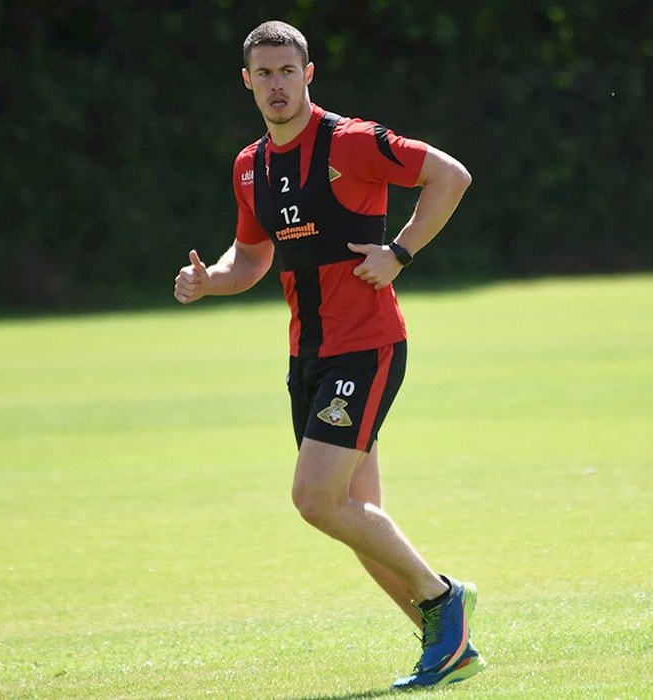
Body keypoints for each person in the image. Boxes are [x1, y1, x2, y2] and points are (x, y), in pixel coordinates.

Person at [174, 20, 484, 691]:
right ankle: (448, 647)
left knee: (316, 499)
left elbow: (450, 176)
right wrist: (209, 280)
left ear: (308, 74)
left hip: (366, 346)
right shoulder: (250, 166)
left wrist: (399, 252)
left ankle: (443, 598)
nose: (277, 84)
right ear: (247, 81)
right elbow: (250, 258)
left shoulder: (352, 140)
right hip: (308, 355)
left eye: (288, 71)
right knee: (354, 518)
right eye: (264, 73)